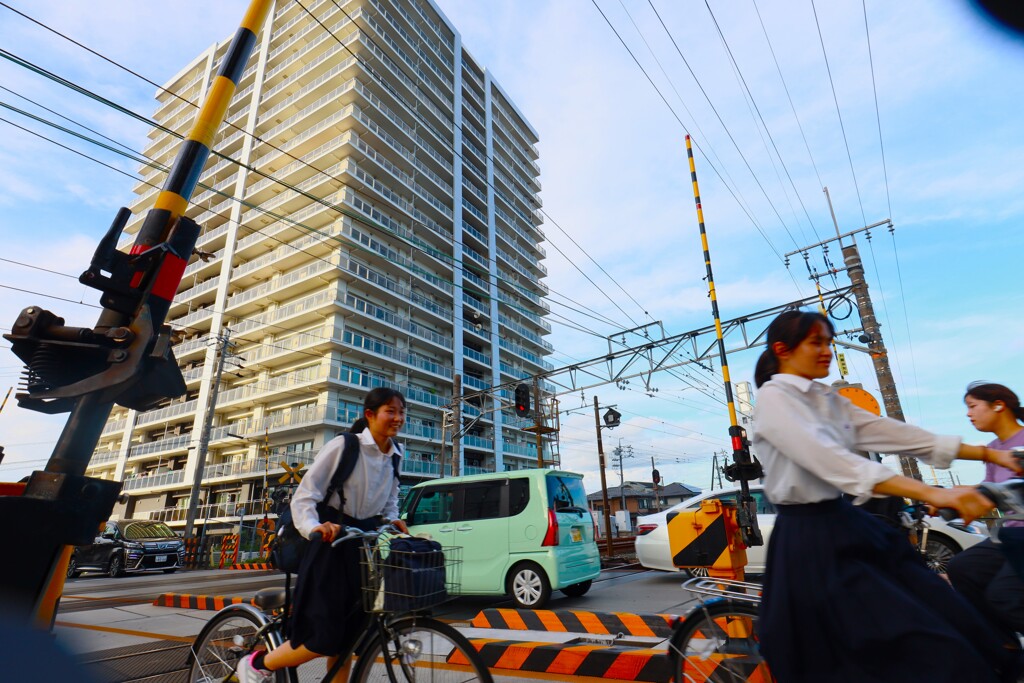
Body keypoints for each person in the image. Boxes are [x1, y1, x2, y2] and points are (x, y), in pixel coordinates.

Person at [751, 310, 1023, 683]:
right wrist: (932, 492)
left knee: (942, 607)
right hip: (809, 540)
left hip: (847, 523)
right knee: (893, 638)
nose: (827, 351)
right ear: (782, 349)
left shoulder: (828, 400)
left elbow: (900, 435)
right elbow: (837, 463)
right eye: (816, 342)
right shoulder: (774, 399)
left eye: (828, 342)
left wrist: (990, 454)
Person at [237, 387, 408, 683]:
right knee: (324, 637)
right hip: (329, 542)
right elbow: (305, 495)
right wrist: (314, 527)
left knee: (349, 640)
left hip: (362, 547)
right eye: (391, 411)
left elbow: (391, 500)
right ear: (370, 415)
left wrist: (394, 521)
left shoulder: (395, 454)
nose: (398, 418)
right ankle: (258, 662)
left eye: (402, 412)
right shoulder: (345, 446)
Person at [947, 383, 1024, 646]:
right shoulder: (993, 449)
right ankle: (1006, 647)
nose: (969, 414)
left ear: (999, 405)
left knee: (1004, 595)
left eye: (973, 406)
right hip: (1011, 531)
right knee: (962, 568)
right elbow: (988, 494)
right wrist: (945, 496)